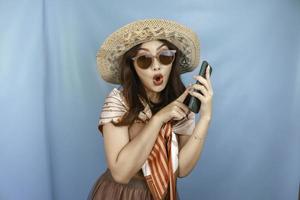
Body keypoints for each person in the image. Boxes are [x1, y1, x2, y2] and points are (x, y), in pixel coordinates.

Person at [87, 18, 213, 200]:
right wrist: (158, 119)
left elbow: (182, 169)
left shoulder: (182, 104)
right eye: (144, 60)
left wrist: (206, 117)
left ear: (173, 60)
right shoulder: (119, 102)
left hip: (161, 194)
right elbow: (121, 173)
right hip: (121, 195)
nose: (156, 66)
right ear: (132, 66)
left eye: (164, 56)